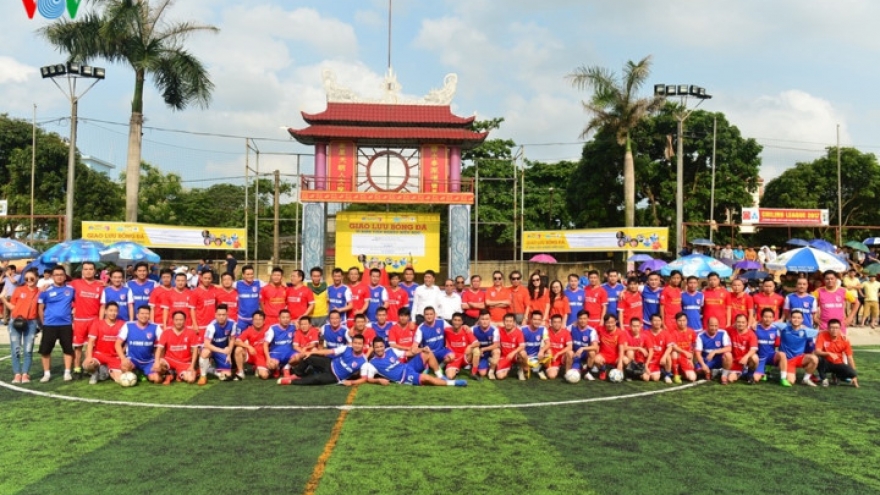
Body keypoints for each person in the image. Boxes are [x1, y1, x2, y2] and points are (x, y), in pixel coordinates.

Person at [362, 339, 467, 387]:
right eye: (377, 347)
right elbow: (368, 379)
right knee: (426, 378)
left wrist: (422, 349)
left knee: (428, 353)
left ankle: (441, 376)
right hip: (404, 377)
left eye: (381, 346)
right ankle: (453, 383)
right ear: (374, 349)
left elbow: (409, 354)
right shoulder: (372, 363)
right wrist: (379, 380)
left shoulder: (390, 350)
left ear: (383, 346)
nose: (379, 349)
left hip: (408, 366)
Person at [277, 334, 368, 386]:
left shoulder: (364, 361)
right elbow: (329, 351)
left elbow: (364, 379)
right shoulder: (346, 348)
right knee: (309, 358)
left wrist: (352, 382)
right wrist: (312, 353)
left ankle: (291, 381)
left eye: (359, 344)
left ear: (363, 345)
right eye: (355, 343)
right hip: (329, 363)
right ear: (352, 343)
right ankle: (296, 374)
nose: (357, 345)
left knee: (316, 379)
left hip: (335, 377)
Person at [37, 265, 76, 382]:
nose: (59, 277)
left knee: (68, 349)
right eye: (56, 275)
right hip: (49, 325)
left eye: (61, 275)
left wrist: (73, 316)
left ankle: (67, 372)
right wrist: (44, 324)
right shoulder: (45, 291)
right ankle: (47, 373)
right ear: (52, 277)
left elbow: (79, 303)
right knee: (45, 350)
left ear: (65, 276)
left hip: (66, 325)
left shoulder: (71, 289)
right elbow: (40, 308)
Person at [4, 269, 39, 383]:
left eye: (31, 278)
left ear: (37, 279)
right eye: (26, 279)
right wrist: (2, 298)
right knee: (16, 349)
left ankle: (25, 374)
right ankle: (17, 374)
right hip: (16, 322)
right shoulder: (19, 290)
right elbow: (12, 307)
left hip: (31, 322)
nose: (29, 281)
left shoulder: (40, 292)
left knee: (28, 350)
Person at [70, 261, 104, 378]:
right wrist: (46, 286)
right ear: (82, 271)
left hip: (94, 320)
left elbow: (102, 305)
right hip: (79, 320)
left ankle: (88, 367)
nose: (88, 271)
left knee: (93, 346)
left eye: (90, 269)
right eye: (85, 269)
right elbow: (60, 285)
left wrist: (100, 321)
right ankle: (77, 368)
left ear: (94, 271)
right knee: (78, 346)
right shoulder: (75, 283)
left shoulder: (100, 286)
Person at [115, 305, 163, 384]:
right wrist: (123, 358)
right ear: (137, 315)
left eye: (147, 313)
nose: (144, 316)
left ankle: (143, 373)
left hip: (148, 361)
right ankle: (136, 371)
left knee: (156, 379)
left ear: (150, 315)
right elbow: (117, 344)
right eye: (142, 313)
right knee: (125, 367)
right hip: (132, 359)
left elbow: (162, 345)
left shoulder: (156, 327)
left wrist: (158, 360)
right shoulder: (128, 325)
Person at [83, 301, 125, 385]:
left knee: (120, 379)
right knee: (87, 364)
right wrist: (89, 357)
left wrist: (122, 353)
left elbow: (127, 343)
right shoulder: (97, 323)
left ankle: (104, 370)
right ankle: (94, 373)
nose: (113, 313)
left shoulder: (123, 324)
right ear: (105, 311)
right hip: (99, 354)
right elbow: (91, 341)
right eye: (111, 310)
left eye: (115, 311)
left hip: (114, 356)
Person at [776, 309, 819, 387]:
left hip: (799, 358)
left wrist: (840, 333)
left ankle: (806, 379)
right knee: (791, 381)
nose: (796, 320)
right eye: (794, 317)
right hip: (786, 360)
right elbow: (770, 324)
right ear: (790, 319)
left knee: (814, 359)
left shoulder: (806, 330)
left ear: (802, 319)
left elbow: (821, 333)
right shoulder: (784, 327)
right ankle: (785, 370)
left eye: (799, 318)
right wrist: (756, 323)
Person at [155, 311, 200, 385]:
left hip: (184, 362)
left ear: (185, 320)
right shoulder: (166, 332)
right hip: (169, 360)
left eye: (181, 320)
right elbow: (159, 349)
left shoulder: (191, 332)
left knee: (191, 379)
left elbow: (195, 350)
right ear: (173, 320)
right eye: (176, 320)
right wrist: (156, 362)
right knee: (159, 366)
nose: (178, 322)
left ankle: (174, 374)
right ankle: (170, 373)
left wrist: (192, 366)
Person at [198, 304, 238, 385]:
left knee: (226, 376)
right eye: (219, 315)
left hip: (222, 350)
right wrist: (223, 351)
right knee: (205, 352)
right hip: (212, 349)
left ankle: (210, 370)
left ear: (227, 315)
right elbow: (206, 344)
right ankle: (203, 376)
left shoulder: (232, 324)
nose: (221, 317)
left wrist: (229, 354)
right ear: (215, 315)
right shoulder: (211, 326)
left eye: (223, 315)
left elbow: (232, 339)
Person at [814, 319, 859, 387]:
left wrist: (854, 376)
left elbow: (849, 357)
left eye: (836, 328)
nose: (834, 330)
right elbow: (817, 351)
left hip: (838, 363)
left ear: (840, 329)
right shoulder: (822, 335)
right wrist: (828, 353)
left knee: (852, 373)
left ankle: (837, 376)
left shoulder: (845, 340)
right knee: (817, 358)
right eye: (832, 328)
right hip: (826, 362)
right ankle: (824, 378)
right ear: (828, 328)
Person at [813, 270, 859, 334]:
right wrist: (814, 317)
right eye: (827, 279)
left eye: (832, 279)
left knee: (840, 343)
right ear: (824, 280)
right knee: (825, 343)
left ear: (836, 279)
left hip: (840, 325)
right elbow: (809, 302)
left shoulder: (843, 291)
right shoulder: (818, 291)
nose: (830, 281)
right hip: (824, 325)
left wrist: (850, 317)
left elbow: (856, 303)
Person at [752, 307, 787, 385]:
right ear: (761, 317)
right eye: (765, 317)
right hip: (760, 358)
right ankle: (761, 372)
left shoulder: (776, 329)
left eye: (770, 317)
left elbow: (791, 325)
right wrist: (756, 322)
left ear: (773, 318)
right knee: (755, 378)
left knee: (782, 354)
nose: (768, 319)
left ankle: (783, 378)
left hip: (771, 356)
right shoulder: (755, 328)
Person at [695, 317, 733, 383]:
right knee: (698, 372)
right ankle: (714, 371)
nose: (714, 328)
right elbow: (698, 353)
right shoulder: (701, 335)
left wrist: (715, 352)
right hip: (707, 359)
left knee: (728, 355)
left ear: (718, 325)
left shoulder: (723, 333)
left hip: (719, 359)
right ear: (707, 325)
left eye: (716, 326)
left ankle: (724, 376)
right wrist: (703, 365)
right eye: (712, 325)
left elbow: (729, 348)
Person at [234, 311, 269, 380]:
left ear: (264, 321)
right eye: (255, 319)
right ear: (252, 320)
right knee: (238, 349)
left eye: (260, 319)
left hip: (262, 357)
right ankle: (241, 372)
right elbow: (236, 341)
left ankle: (257, 368)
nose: (257, 321)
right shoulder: (248, 330)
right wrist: (248, 346)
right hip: (251, 355)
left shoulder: (269, 328)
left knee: (265, 376)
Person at [443, 313, 478, 379]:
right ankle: (452, 367)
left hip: (465, 357)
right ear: (452, 321)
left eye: (459, 320)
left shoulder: (466, 330)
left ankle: (473, 373)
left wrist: (470, 346)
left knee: (476, 350)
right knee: (450, 376)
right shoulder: (447, 330)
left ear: (462, 322)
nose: (456, 322)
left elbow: (477, 343)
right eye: (455, 320)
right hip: (454, 358)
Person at [263, 310, 296, 379]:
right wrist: (268, 358)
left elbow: (303, 324)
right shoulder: (273, 328)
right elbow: (265, 344)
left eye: (287, 317)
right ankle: (277, 368)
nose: (285, 320)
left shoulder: (293, 327)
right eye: (283, 317)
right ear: (279, 318)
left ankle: (286, 367)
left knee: (300, 357)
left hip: (289, 353)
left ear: (290, 318)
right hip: (276, 354)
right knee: (271, 365)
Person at [727, 314, 759, 384]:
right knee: (730, 379)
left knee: (755, 357)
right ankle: (742, 373)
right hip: (734, 361)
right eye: (738, 322)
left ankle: (750, 375)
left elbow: (754, 349)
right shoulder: (730, 330)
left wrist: (746, 357)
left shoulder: (751, 334)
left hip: (745, 361)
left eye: (743, 322)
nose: (741, 324)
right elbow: (720, 332)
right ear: (735, 323)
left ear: (747, 323)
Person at [470, 310, 501, 380]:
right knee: (482, 373)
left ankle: (491, 371)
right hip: (479, 354)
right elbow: (469, 344)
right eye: (482, 319)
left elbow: (496, 345)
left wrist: (483, 349)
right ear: (479, 319)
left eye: (487, 319)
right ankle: (488, 363)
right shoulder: (473, 329)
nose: (484, 321)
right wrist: (477, 350)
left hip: (489, 352)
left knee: (497, 351)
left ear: (490, 319)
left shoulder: (495, 330)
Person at [595, 314, 626, 381]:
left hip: (615, 357)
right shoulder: (600, 329)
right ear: (604, 323)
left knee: (625, 360)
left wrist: (620, 362)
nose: (610, 324)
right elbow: (590, 330)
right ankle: (603, 370)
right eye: (608, 322)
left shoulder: (620, 333)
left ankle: (621, 369)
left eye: (612, 322)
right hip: (604, 356)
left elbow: (621, 349)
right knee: (596, 359)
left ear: (616, 322)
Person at [496, 313, 528, 380]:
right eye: (506, 321)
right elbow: (490, 324)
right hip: (505, 357)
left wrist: (513, 353)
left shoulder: (518, 332)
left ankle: (521, 369)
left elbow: (522, 346)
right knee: (500, 376)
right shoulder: (499, 330)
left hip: (515, 356)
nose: (508, 323)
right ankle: (512, 369)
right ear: (503, 322)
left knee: (523, 353)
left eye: (510, 321)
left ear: (514, 322)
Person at [668, 312, 698, 383]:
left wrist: (691, 358)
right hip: (678, 356)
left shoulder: (691, 332)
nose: (682, 323)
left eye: (684, 320)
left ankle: (682, 373)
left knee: (693, 378)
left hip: (687, 358)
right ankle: (676, 374)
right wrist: (684, 352)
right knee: (674, 353)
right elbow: (673, 347)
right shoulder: (673, 333)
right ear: (676, 321)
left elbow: (695, 344)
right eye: (679, 321)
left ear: (687, 321)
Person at [569, 310, 599, 381]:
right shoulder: (571, 328)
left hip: (586, 354)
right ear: (577, 319)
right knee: (575, 375)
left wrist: (582, 348)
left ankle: (587, 371)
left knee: (592, 352)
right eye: (580, 318)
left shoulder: (592, 331)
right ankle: (579, 368)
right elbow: (563, 332)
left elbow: (595, 347)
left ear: (588, 319)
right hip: (576, 355)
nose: (582, 321)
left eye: (585, 318)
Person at [521, 310, 550, 379]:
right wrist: (525, 357)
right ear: (530, 320)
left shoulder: (543, 329)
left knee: (549, 352)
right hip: (525, 356)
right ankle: (523, 367)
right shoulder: (523, 329)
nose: (537, 321)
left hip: (536, 356)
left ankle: (541, 368)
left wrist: (542, 350)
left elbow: (548, 343)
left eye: (539, 319)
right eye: (534, 319)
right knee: (522, 353)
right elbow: (519, 346)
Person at [235, 265, 264, 330]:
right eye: (247, 274)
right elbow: (225, 285)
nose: (250, 276)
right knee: (239, 338)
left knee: (254, 338)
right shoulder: (237, 284)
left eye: (251, 274)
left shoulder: (259, 283)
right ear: (243, 275)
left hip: (255, 319)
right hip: (242, 319)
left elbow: (271, 285)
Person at [645, 314, 672, 383]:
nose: (657, 322)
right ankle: (660, 372)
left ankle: (667, 375)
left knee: (668, 356)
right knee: (654, 378)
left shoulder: (665, 333)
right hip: (650, 358)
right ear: (651, 322)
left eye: (659, 320)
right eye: (655, 320)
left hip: (660, 358)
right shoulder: (645, 333)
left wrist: (664, 357)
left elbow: (670, 347)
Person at [191, 270, 218, 340]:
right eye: (205, 278)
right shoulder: (195, 292)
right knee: (200, 347)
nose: (207, 280)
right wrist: (194, 324)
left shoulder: (214, 289)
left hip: (213, 323)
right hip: (201, 325)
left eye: (209, 278)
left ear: (212, 279)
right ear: (201, 278)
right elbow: (192, 309)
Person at [545, 313, 573, 380]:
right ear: (551, 323)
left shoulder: (566, 332)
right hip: (551, 358)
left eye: (559, 322)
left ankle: (567, 373)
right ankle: (555, 369)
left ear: (561, 323)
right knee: (551, 376)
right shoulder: (546, 332)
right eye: (554, 322)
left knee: (570, 353)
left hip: (562, 357)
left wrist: (558, 353)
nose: (557, 324)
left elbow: (570, 346)